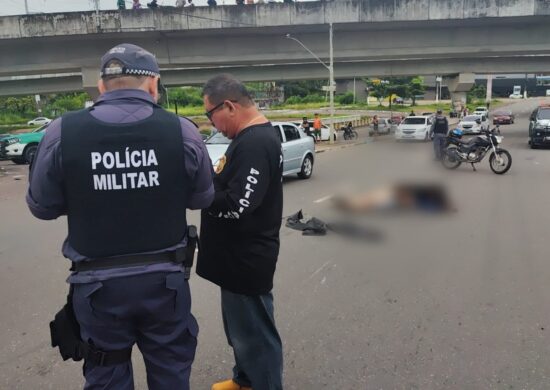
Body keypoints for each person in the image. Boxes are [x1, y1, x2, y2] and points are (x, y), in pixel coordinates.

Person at [27, 43, 214, 390]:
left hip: (97, 290)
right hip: (165, 286)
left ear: (101, 86)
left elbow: (41, 206)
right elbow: (202, 197)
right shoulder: (183, 131)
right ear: (154, 84)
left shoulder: (61, 132)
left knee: (106, 371)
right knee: (171, 372)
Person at [198, 74, 284, 390]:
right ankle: (245, 379)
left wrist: (201, 194)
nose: (212, 123)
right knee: (239, 330)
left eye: (211, 114)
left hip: (247, 259)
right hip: (234, 258)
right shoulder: (247, 139)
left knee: (256, 335)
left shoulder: (256, 142)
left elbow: (239, 204)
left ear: (230, 106)